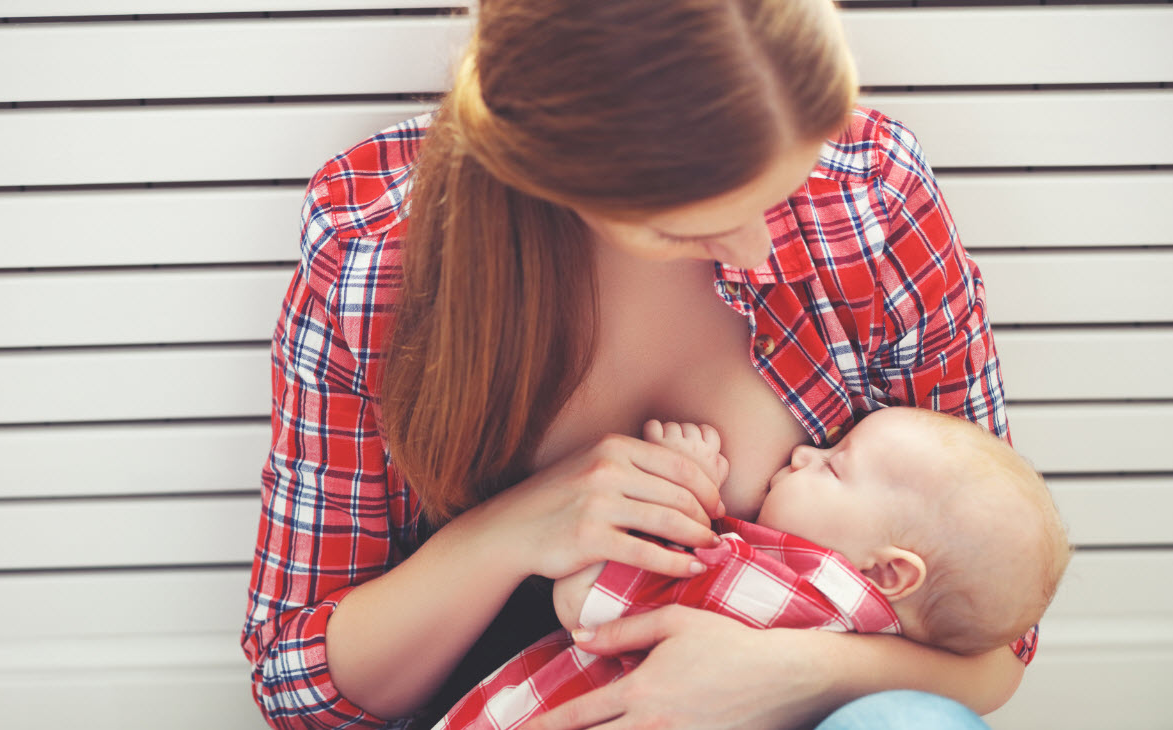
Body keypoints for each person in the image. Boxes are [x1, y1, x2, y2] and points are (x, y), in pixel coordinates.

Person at [240, 1, 1036, 728]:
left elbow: (994, 640)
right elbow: (298, 691)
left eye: (779, 190)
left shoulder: (870, 196)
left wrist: (787, 671)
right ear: (555, 177)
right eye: (690, 228)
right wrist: (513, 530)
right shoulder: (378, 253)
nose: (760, 251)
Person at [433, 408, 1071, 729]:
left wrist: (680, 498)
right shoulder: (880, 637)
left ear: (887, 573)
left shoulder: (781, 588)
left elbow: (583, 599)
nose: (803, 452)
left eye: (834, 465)